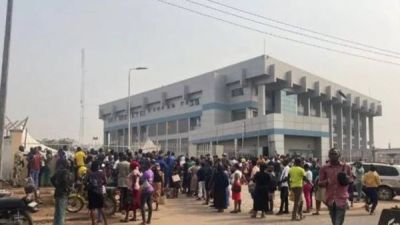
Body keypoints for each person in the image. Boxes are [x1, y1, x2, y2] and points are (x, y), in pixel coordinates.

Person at [319, 148, 353, 225]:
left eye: (335, 154)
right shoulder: (324, 168)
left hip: (342, 198)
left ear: (339, 155)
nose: (333, 156)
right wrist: (327, 181)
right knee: (334, 221)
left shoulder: (346, 167)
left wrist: (346, 179)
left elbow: (351, 181)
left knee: (338, 222)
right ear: (328, 156)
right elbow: (320, 183)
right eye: (331, 154)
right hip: (330, 199)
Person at [51, 159, 72, 225]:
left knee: (57, 212)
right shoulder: (66, 172)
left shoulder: (58, 171)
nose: (69, 164)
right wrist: (67, 189)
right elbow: (65, 181)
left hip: (57, 193)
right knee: (61, 213)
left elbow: (52, 179)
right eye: (68, 163)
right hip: (63, 194)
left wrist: (56, 186)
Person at [87, 161, 108, 225]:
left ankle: (93, 223)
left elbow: (87, 182)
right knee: (101, 208)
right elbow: (105, 182)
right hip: (99, 192)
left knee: (92, 209)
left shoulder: (90, 174)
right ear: (98, 166)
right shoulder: (101, 173)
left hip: (92, 192)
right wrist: (100, 184)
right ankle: (106, 223)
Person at [116, 154, 131, 222]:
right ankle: (125, 208)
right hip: (127, 181)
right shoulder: (129, 164)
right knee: (126, 196)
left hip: (121, 181)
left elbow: (116, 171)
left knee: (121, 195)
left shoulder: (119, 164)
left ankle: (121, 208)